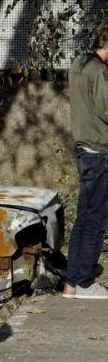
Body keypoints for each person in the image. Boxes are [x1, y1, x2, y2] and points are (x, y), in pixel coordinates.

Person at [65, 20, 108, 299]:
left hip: (84, 147)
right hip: (100, 150)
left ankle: (71, 282)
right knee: (97, 218)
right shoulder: (101, 73)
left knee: (83, 217)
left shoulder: (78, 64)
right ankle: (84, 281)